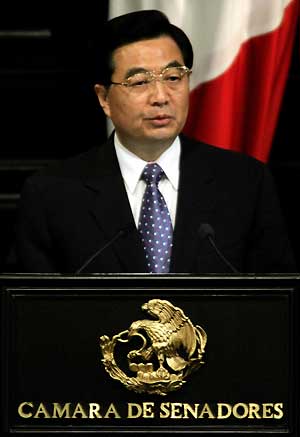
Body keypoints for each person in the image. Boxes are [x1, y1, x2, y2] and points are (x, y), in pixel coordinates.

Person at [15, 10, 296, 274]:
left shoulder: (244, 183)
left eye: (173, 78)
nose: (161, 96)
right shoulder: (52, 196)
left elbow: (278, 304)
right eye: (139, 82)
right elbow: (31, 311)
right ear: (104, 98)